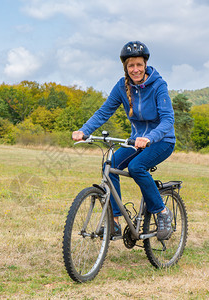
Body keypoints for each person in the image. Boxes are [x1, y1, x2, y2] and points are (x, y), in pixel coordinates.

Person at [72, 41, 176, 240]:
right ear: (125, 68)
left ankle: (162, 213)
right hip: (135, 141)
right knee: (109, 166)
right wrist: (84, 130)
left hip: (163, 141)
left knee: (136, 167)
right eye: (131, 66)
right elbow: (104, 112)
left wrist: (149, 137)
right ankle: (116, 221)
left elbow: (168, 120)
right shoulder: (122, 86)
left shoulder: (159, 86)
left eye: (138, 65)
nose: (135, 69)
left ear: (145, 64)